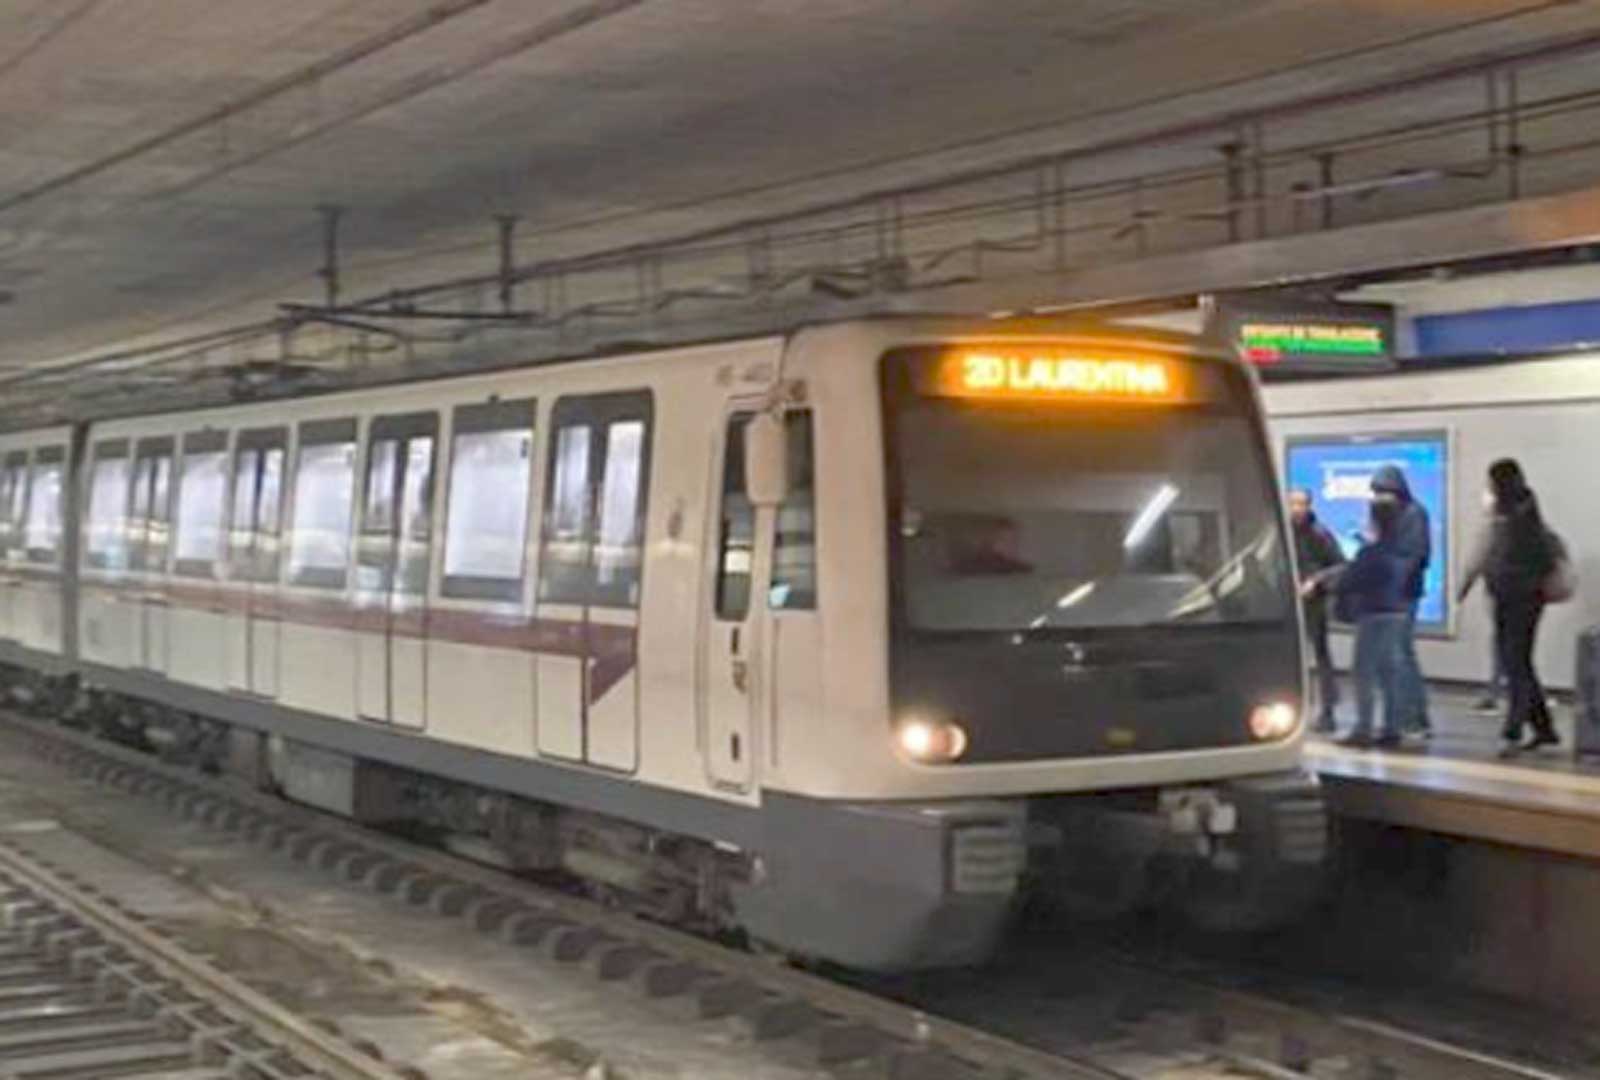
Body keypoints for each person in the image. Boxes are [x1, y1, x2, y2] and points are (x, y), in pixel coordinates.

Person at [1474, 459, 1560, 756]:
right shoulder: (1520, 511)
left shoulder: (1517, 519)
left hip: (1519, 600)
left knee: (1515, 664)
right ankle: (1544, 728)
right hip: (1514, 598)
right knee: (1519, 663)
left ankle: (1511, 731)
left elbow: (1512, 560)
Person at [1332, 500, 1411, 749]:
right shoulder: (1400, 549)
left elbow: (1350, 580)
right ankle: (1392, 728)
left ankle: (1363, 728)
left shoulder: (1372, 553)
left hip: (1374, 615)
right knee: (1389, 674)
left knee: (1363, 673)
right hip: (1397, 613)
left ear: (1375, 520)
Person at [1370, 466, 1433, 738]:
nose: (1380, 498)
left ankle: (1413, 719)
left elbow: (1415, 555)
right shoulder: (1391, 514)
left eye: (1384, 492)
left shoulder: (1414, 514)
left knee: (1400, 655)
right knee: (1398, 654)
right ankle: (1407, 717)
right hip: (1390, 594)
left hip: (1403, 594)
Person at [1288, 488, 1346, 732]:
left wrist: (1316, 581)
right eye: (1294, 503)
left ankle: (1327, 711)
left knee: (1321, 656)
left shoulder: (1320, 534)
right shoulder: (1284, 532)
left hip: (1314, 603)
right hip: (1291, 603)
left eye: (1302, 504)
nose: (1298, 509)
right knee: (1293, 659)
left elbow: (1340, 564)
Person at [1459, 489, 1508, 712]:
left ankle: (1495, 693)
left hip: (1500, 592)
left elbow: (1476, 561)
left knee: (1501, 644)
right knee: (1517, 648)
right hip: (1527, 597)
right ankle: (1511, 693)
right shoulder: (1526, 524)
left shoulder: (1492, 528)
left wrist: (1463, 590)